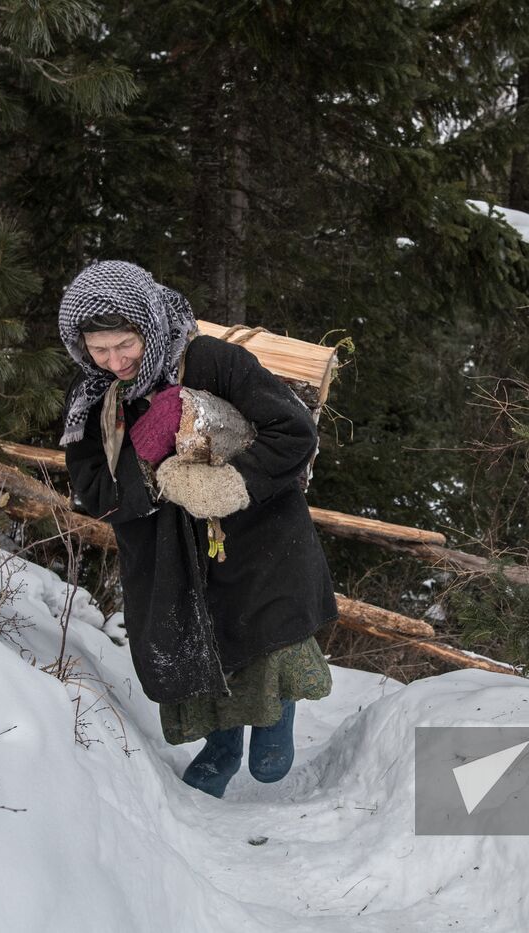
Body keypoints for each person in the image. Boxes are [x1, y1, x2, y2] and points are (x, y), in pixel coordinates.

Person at [58, 260, 336, 798]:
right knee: (200, 641)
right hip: (168, 552)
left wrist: (234, 483)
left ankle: (276, 716)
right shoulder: (92, 399)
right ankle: (222, 743)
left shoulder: (213, 360)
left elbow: (293, 432)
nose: (115, 361)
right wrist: (149, 463)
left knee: (261, 631)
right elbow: (92, 490)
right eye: (99, 349)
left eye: (125, 344)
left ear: (148, 325)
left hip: (256, 538)